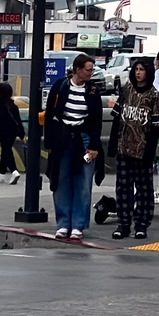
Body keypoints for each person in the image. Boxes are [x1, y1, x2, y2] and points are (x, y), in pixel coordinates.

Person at [45, 49, 104, 245]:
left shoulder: (93, 91)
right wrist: (49, 142)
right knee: (62, 179)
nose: (90, 73)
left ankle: (78, 225)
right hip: (63, 139)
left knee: (83, 182)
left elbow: (96, 120)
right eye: (87, 70)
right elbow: (50, 114)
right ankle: (63, 223)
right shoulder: (60, 87)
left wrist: (94, 145)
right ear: (77, 70)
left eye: (92, 70)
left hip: (85, 139)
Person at [112, 54, 159, 242]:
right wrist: (113, 145)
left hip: (143, 150)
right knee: (123, 188)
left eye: (142, 70)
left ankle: (141, 225)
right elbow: (117, 118)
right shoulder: (126, 91)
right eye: (136, 70)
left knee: (143, 189)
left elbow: (158, 125)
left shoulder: (153, 95)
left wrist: (150, 152)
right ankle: (123, 224)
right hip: (124, 148)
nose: (138, 73)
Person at [0, 56, 22, 184]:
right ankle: (2, 173)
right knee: (6, 148)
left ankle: (14, 171)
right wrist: (22, 133)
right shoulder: (13, 105)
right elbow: (18, 119)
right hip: (13, 131)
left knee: (6, 149)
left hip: (2, 130)